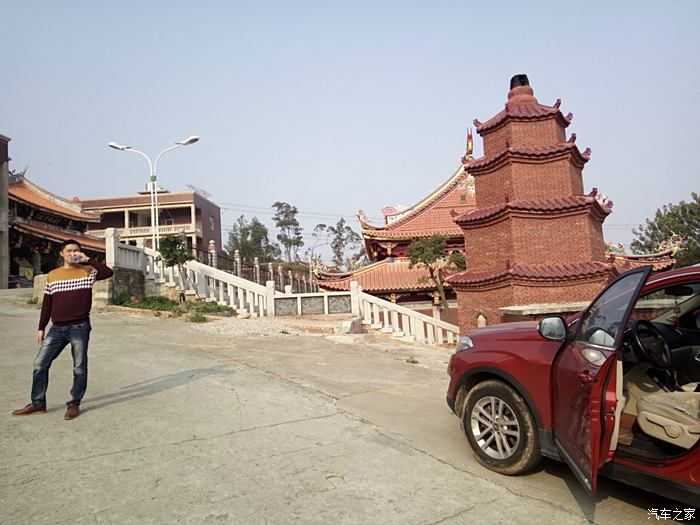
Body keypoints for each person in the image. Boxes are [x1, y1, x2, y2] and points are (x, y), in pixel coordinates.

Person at [12, 239, 113, 420]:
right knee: (40, 364)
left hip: (79, 327)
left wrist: (87, 259)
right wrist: (41, 327)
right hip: (56, 328)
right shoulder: (53, 275)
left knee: (79, 367)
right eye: (69, 250)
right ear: (61, 253)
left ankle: (74, 403)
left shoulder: (87, 271)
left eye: (76, 250)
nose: (72, 253)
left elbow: (108, 272)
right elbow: (47, 303)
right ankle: (38, 403)